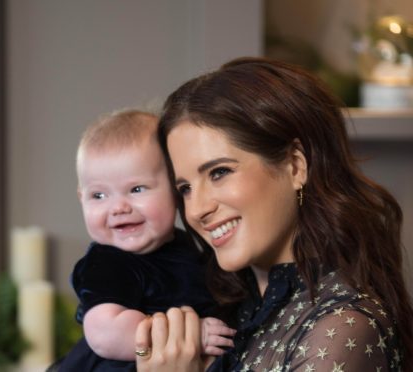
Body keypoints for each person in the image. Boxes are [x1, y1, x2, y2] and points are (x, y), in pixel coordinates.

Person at [134, 58, 413, 371]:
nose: (197, 210)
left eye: (220, 172)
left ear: (295, 165)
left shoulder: (343, 329)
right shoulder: (230, 315)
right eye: (185, 188)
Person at [59, 110, 236, 371]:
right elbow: (104, 333)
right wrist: (191, 335)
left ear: (176, 190)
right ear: (80, 198)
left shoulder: (184, 244)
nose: (117, 207)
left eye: (136, 189)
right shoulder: (107, 262)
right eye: (98, 195)